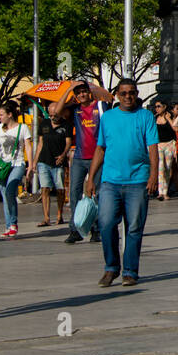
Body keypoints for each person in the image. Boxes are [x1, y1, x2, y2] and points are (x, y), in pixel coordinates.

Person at [85, 79, 159, 287]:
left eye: (132, 93)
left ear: (136, 94)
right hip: (110, 181)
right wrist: (91, 178)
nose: (128, 97)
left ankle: (130, 271)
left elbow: (152, 148)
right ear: (117, 95)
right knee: (106, 223)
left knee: (134, 227)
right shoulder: (107, 118)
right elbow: (100, 149)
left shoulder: (145, 116)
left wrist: (154, 175)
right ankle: (111, 268)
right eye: (124, 93)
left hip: (137, 180)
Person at [58, 82, 104, 243]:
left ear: (89, 93)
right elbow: (57, 111)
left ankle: (96, 229)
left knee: (96, 193)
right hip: (79, 156)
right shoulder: (75, 110)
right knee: (74, 193)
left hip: (97, 156)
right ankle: (75, 229)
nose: (82, 95)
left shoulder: (100, 106)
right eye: (79, 93)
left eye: (84, 92)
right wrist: (69, 90)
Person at [0, 100, 31, 238]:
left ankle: (13, 223)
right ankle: (9, 226)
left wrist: (30, 165)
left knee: (9, 190)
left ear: (9, 114)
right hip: (2, 165)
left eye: (1, 114)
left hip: (17, 163)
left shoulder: (22, 128)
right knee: (6, 196)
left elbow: (28, 146)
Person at [32, 109, 72, 226]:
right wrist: (35, 161)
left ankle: (60, 215)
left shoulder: (66, 125)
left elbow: (68, 142)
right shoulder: (44, 124)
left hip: (58, 161)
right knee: (45, 188)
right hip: (44, 160)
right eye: (50, 115)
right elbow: (40, 143)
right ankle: (46, 217)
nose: (53, 117)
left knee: (60, 189)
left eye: (55, 114)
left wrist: (63, 155)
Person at [153, 99, 178, 200]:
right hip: (159, 144)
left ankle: (165, 191)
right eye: (156, 107)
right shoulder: (154, 118)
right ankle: (160, 192)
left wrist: (168, 119)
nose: (157, 109)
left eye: (159, 106)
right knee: (160, 168)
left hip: (169, 144)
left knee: (168, 167)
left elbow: (175, 129)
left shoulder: (170, 117)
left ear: (164, 107)